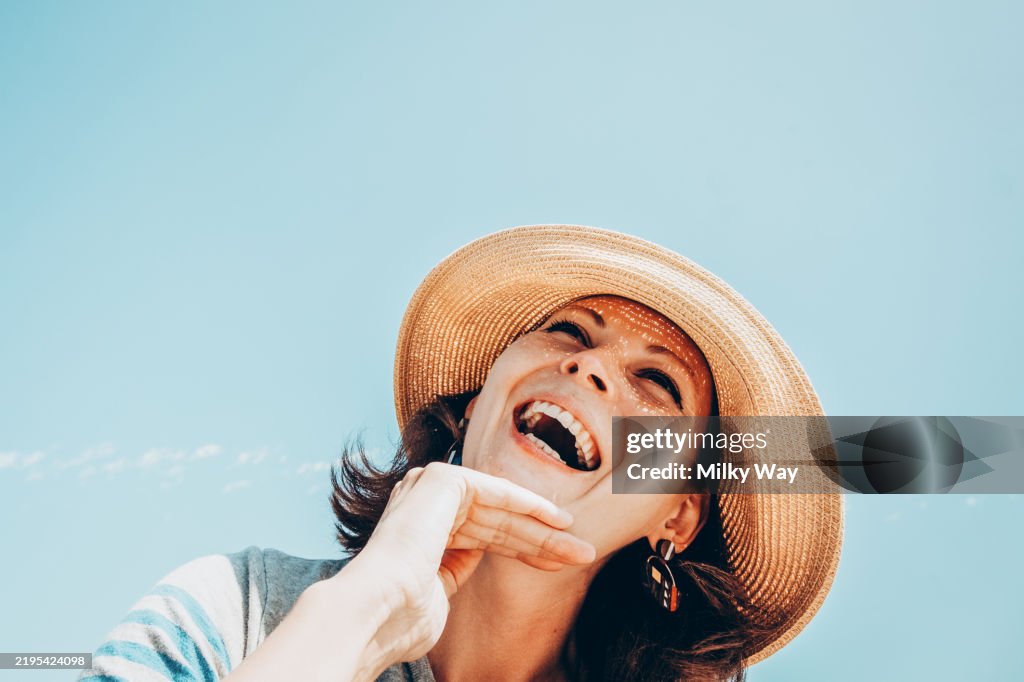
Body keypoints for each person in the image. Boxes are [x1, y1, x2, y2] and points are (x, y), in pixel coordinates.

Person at [79, 225, 843, 682]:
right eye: (569, 332)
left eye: (656, 383)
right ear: (480, 402)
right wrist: (362, 610)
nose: (589, 366)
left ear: (676, 513)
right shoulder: (240, 607)